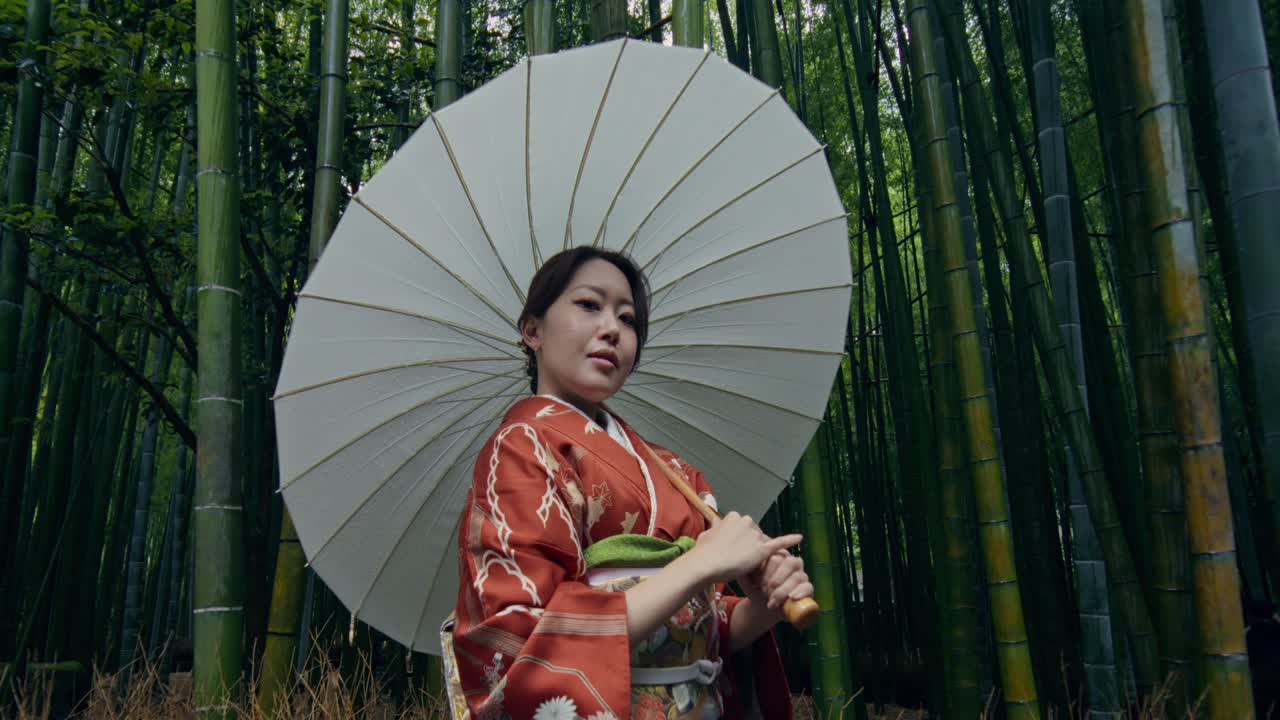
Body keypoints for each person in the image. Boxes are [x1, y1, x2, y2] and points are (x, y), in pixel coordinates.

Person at [445, 247, 815, 720]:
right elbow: (524, 640)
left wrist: (760, 608)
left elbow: (707, 626)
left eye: (628, 318)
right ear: (532, 330)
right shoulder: (521, 448)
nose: (612, 329)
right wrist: (699, 564)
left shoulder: (675, 472)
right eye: (588, 305)